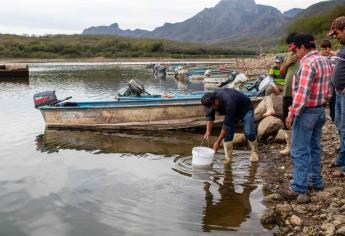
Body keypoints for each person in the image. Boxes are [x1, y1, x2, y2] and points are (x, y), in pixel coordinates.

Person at [278, 33, 333, 199]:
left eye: (297, 50)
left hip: (307, 112)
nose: (296, 54)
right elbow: (329, 89)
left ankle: (298, 188)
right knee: (314, 147)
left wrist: (292, 113)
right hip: (320, 110)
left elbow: (302, 92)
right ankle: (315, 181)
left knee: (299, 149)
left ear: (303, 47)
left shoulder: (308, 63)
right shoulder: (325, 60)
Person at [201, 88, 258, 164]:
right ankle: (228, 159)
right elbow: (210, 117)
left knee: (249, 132)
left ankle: (254, 152)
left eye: (211, 107)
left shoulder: (228, 102)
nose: (210, 109)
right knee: (227, 136)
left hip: (245, 109)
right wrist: (208, 131)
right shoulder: (210, 100)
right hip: (232, 112)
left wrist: (218, 142)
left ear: (216, 102)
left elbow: (226, 126)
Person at [327, 16, 345, 177]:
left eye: (337, 33)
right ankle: (342, 156)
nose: (336, 37)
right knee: (340, 127)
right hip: (339, 94)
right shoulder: (343, 48)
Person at [279, 33, 299, 155]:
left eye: (290, 44)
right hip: (287, 92)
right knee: (285, 118)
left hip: (298, 93)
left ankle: (297, 145)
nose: (289, 47)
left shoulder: (303, 56)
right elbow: (281, 73)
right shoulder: (288, 56)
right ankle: (289, 145)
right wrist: (286, 64)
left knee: (298, 119)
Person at [320, 39, 337, 122]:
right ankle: (321, 116)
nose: (324, 51)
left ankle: (333, 116)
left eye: (325, 49)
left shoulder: (334, 57)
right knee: (322, 100)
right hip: (323, 82)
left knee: (333, 99)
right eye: (322, 49)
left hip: (332, 82)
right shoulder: (319, 58)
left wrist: (335, 54)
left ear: (330, 48)